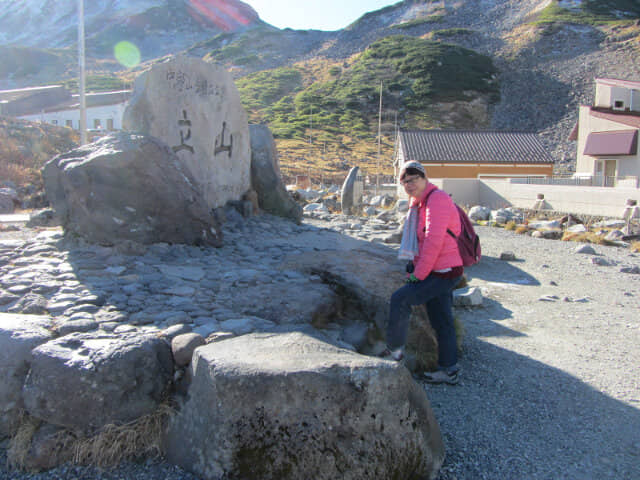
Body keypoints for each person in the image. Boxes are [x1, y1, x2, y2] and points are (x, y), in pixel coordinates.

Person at [381, 160, 463, 385]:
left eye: (413, 179)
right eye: (405, 181)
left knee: (400, 300)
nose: (409, 184)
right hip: (441, 269)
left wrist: (418, 274)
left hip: (443, 271)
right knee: (442, 321)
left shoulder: (436, 200)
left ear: (424, 178)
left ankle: (394, 352)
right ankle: (450, 370)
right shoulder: (420, 202)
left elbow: (433, 241)